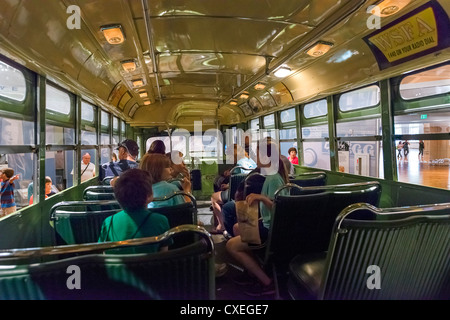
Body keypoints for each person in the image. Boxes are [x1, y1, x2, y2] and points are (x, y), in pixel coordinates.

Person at [225, 139, 289, 296]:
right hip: (269, 224)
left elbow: (280, 209)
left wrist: (261, 198)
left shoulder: (273, 178)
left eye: (258, 154)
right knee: (237, 228)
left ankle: (267, 283)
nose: (255, 157)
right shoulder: (272, 175)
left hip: (270, 231)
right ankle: (253, 272)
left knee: (231, 246)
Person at [98, 169, 170, 254]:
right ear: (149, 196)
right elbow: (164, 255)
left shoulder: (108, 222)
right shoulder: (161, 221)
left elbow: (103, 252)